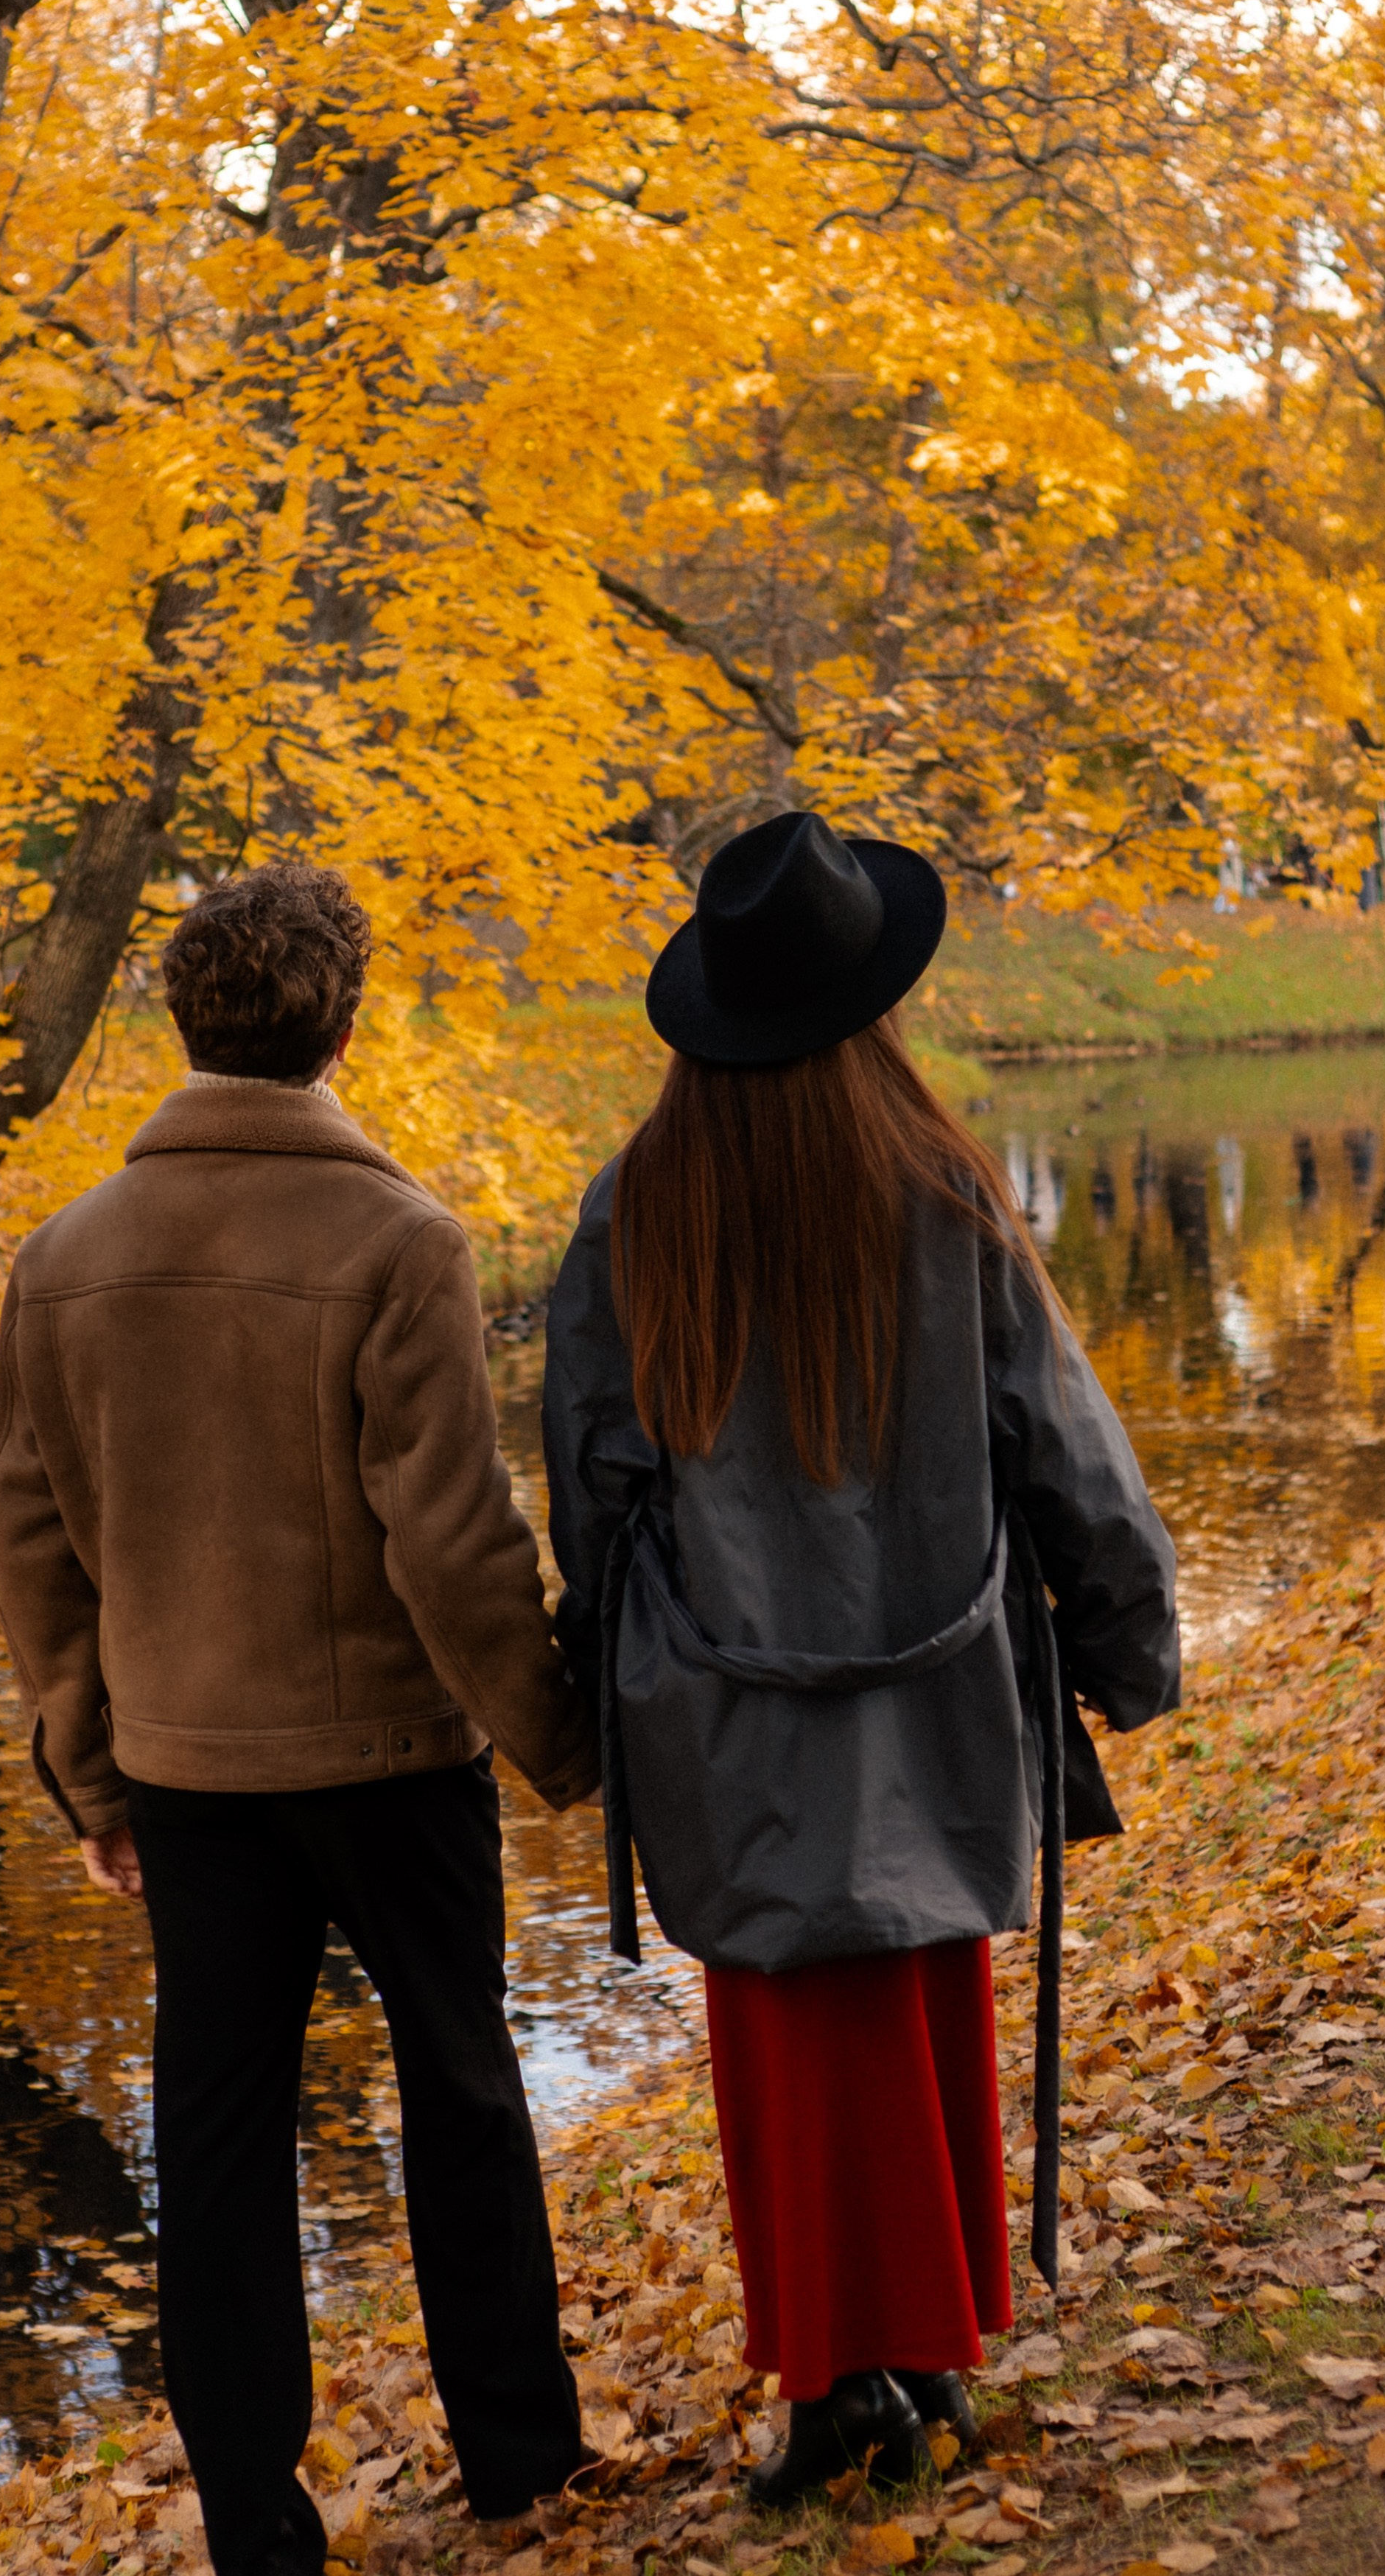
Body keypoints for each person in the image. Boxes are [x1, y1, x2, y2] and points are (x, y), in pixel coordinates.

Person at [541, 813, 1179, 2504]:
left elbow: (591, 1478)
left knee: (784, 2042)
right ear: (867, 1009)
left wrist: (590, 1693)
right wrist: (1124, 1637)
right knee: (918, 2008)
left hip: (725, 1697)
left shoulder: (636, 1210)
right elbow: (1059, 1438)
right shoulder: (937, 1187)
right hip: (935, 1667)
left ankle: (842, 2381)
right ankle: (920, 2363)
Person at [0, 861, 599, 2576]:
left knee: (222, 2138)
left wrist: (90, 1777)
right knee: (464, 2090)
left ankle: (256, 2512)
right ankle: (517, 2460)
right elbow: (455, 1540)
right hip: (394, 1759)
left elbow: (31, 1548)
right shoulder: (397, 1241)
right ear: (342, 1020)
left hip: (187, 1773)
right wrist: (559, 1737)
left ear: (183, 1018)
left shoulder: (63, 1258)